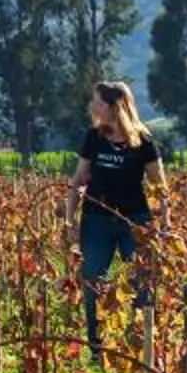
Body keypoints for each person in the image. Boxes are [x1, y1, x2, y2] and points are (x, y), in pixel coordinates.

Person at [66, 79, 166, 357]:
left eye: (97, 102)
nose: (92, 106)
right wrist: (69, 219)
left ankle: (141, 348)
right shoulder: (93, 137)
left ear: (114, 107)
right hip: (96, 221)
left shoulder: (143, 143)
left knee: (142, 284)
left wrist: (162, 225)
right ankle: (97, 350)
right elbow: (78, 179)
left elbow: (160, 186)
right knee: (92, 282)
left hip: (135, 222)